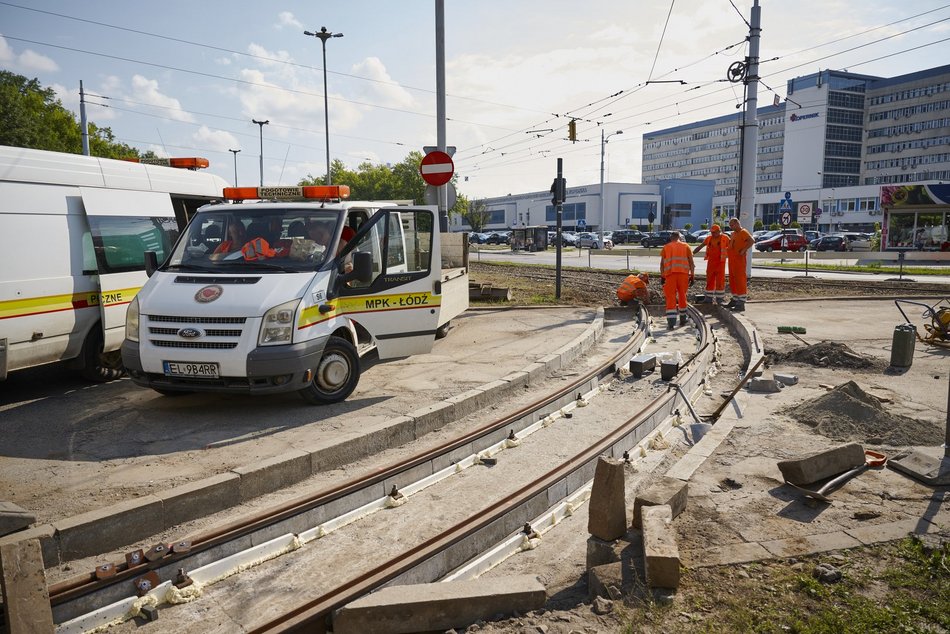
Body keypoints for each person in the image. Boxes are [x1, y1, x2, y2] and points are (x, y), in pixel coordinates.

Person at [659, 231, 695, 329]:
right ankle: (683, 319)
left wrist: (662, 276)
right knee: (682, 295)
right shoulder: (686, 246)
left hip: (670, 275)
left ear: (671, 237)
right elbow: (691, 262)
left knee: (671, 297)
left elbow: (662, 264)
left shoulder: (666, 247)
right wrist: (692, 275)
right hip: (683, 275)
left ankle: (671, 322)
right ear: (679, 237)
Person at [692, 224, 729, 305]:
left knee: (720, 280)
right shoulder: (709, 239)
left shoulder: (725, 238)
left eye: (714, 232)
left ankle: (720, 299)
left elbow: (732, 247)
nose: (713, 234)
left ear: (719, 231)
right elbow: (700, 246)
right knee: (710, 279)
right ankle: (709, 298)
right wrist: (691, 254)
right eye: (712, 232)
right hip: (711, 262)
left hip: (720, 262)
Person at [726, 216, 754, 312]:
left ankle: (741, 302)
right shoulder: (734, 233)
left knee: (740, 279)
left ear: (737, 223)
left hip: (739, 260)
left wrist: (744, 249)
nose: (731, 227)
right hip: (733, 260)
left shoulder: (743, 232)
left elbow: (752, 241)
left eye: (732, 225)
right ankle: (735, 299)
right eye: (730, 225)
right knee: (733, 279)